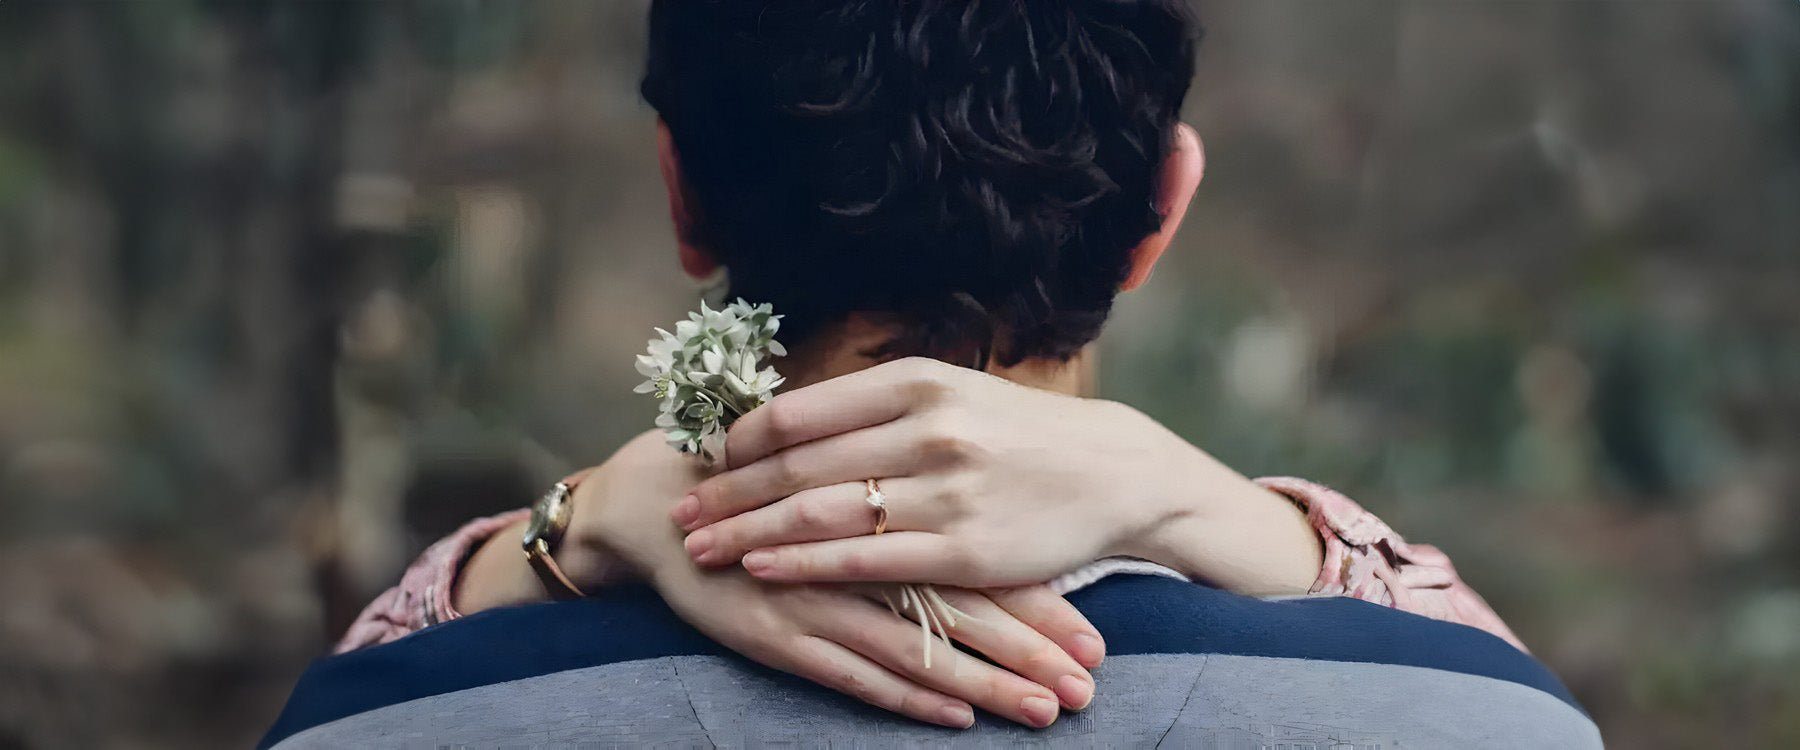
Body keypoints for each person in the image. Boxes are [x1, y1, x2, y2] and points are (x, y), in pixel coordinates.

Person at [263, 1, 1599, 746]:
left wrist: (586, 521)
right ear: (1161, 209)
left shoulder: (398, 721)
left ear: (685, 195)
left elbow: (337, 697)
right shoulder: (1462, 723)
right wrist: (1222, 509)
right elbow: (1515, 701)